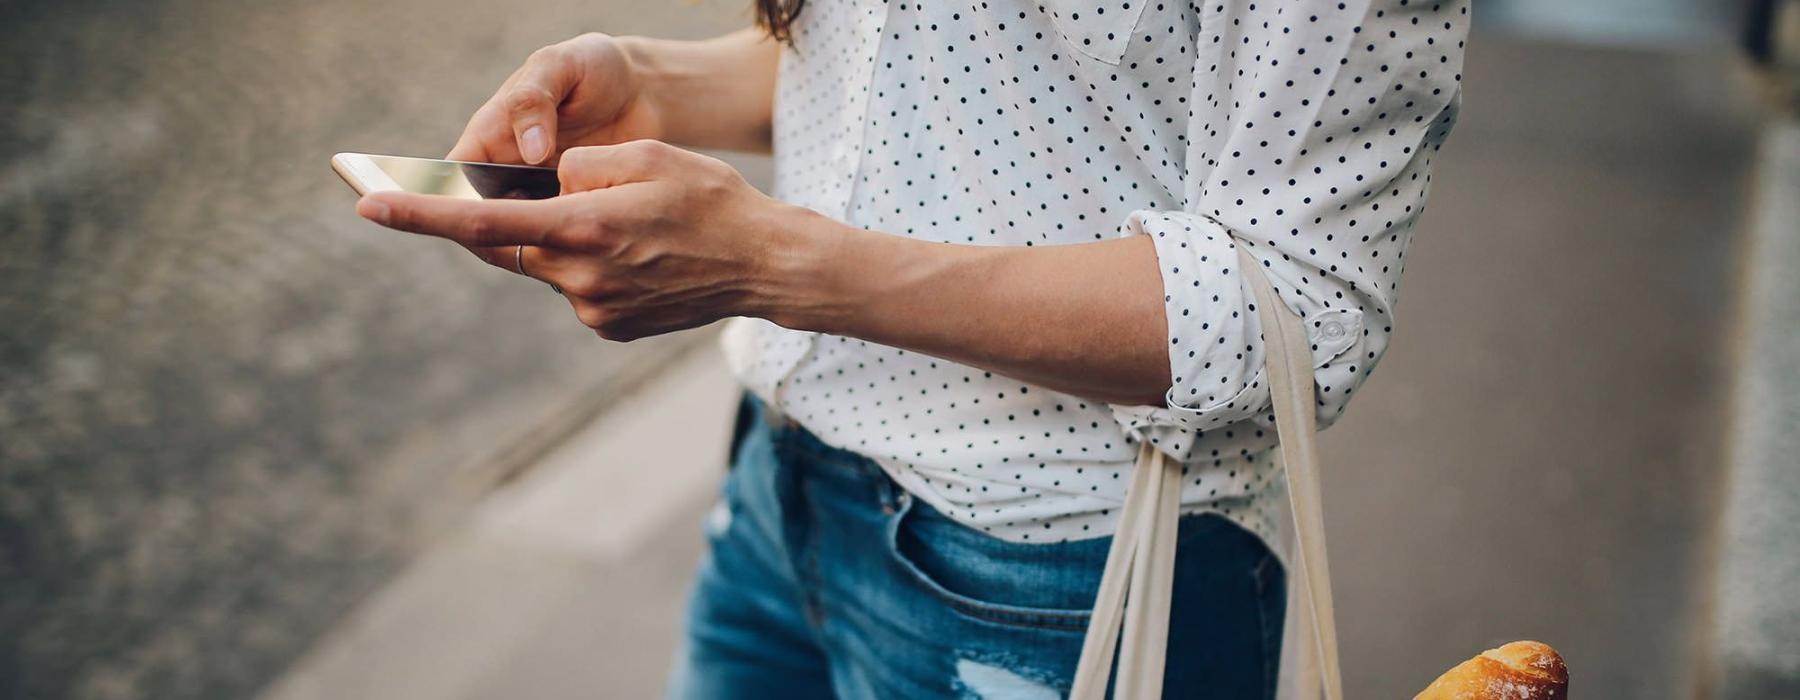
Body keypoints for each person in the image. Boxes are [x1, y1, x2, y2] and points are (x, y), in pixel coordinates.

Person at [355, 1, 1469, 696]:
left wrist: (775, 264)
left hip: (1057, 568)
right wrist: (651, 80)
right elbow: (906, 59)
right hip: (777, 494)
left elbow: (1303, 302)